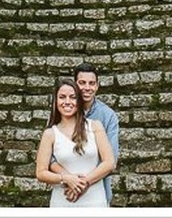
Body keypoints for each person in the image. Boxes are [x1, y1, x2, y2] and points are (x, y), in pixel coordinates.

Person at [35, 77, 116, 209]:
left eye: (73, 97)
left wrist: (81, 183)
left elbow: (109, 162)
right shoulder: (50, 134)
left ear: (79, 101)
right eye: (62, 97)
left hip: (95, 200)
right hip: (63, 201)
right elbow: (41, 173)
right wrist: (66, 179)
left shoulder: (95, 126)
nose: (67, 102)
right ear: (56, 101)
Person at [61, 63, 120, 205]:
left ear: (97, 86)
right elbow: (50, 158)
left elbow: (110, 160)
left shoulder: (108, 116)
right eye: (82, 83)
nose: (87, 88)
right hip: (65, 190)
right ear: (75, 84)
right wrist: (70, 180)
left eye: (91, 83)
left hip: (98, 189)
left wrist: (82, 183)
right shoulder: (62, 112)